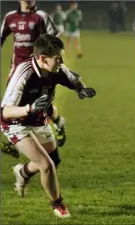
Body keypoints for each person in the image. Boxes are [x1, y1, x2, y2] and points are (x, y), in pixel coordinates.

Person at [1, 34, 96, 217]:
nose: (61, 61)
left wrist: (81, 90)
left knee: (54, 159)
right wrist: (29, 108)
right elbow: (5, 111)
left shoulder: (58, 68)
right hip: (16, 123)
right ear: (43, 59)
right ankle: (58, 205)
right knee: (46, 165)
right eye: (58, 58)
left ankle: (23, 172)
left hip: (40, 119)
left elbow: (74, 79)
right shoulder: (24, 72)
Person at [0, 0, 67, 158]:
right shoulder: (10, 17)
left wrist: (42, 58)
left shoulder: (40, 17)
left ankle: (57, 123)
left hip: (37, 71)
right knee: (14, 106)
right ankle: (18, 139)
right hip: (16, 71)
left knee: (36, 106)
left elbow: (55, 39)